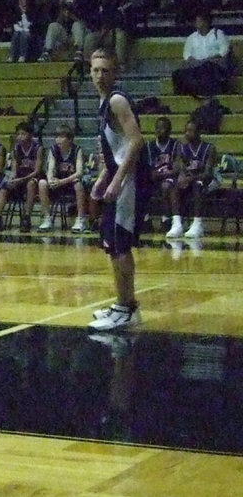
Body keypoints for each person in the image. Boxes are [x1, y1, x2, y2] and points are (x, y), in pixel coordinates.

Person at [88, 49, 147, 333]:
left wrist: (116, 180)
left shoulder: (117, 100)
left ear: (115, 73)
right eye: (96, 70)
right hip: (119, 178)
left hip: (130, 182)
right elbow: (118, 147)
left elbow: (136, 142)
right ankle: (123, 303)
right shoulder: (103, 102)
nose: (100, 76)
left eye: (106, 71)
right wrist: (103, 176)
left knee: (120, 245)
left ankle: (127, 308)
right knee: (112, 246)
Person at [0, 123, 43, 233]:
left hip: (33, 177)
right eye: (19, 134)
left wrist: (22, 179)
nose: (20, 136)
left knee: (31, 184)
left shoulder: (38, 148)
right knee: (4, 185)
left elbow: (37, 171)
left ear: (30, 135)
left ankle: (26, 218)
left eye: (23, 134)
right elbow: (14, 170)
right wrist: (11, 179)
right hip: (19, 177)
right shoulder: (16, 148)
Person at [166, 120, 218, 240]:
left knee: (197, 185)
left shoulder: (209, 148)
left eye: (191, 131)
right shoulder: (182, 148)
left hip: (208, 180)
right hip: (190, 180)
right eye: (186, 131)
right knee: (173, 185)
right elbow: (181, 169)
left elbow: (208, 173)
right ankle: (177, 223)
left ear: (199, 132)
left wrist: (190, 178)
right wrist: (182, 178)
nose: (187, 133)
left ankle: (197, 224)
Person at [37, 124, 90, 233]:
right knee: (42, 183)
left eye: (61, 137)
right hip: (58, 183)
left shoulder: (77, 150)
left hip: (70, 183)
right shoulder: (53, 150)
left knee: (78, 184)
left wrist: (62, 182)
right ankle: (47, 219)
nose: (58, 140)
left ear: (70, 139)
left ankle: (80, 219)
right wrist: (50, 179)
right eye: (56, 137)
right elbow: (50, 168)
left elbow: (79, 173)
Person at [172, 12, 233, 97]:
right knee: (178, 73)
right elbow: (186, 54)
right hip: (196, 65)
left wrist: (211, 59)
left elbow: (224, 50)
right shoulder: (191, 37)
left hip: (213, 64)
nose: (196, 23)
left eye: (199, 21)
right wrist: (195, 62)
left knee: (207, 68)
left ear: (206, 22)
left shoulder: (218, 34)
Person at [146, 117, 180, 231]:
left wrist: (161, 175)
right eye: (157, 128)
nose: (159, 131)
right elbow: (149, 170)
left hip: (170, 179)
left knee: (166, 186)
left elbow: (176, 170)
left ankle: (166, 219)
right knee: (139, 185)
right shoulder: (149, 146)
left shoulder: (175, 145)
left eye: (163, 128)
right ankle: (145, 219)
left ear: (169, 131)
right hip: (154, 179)